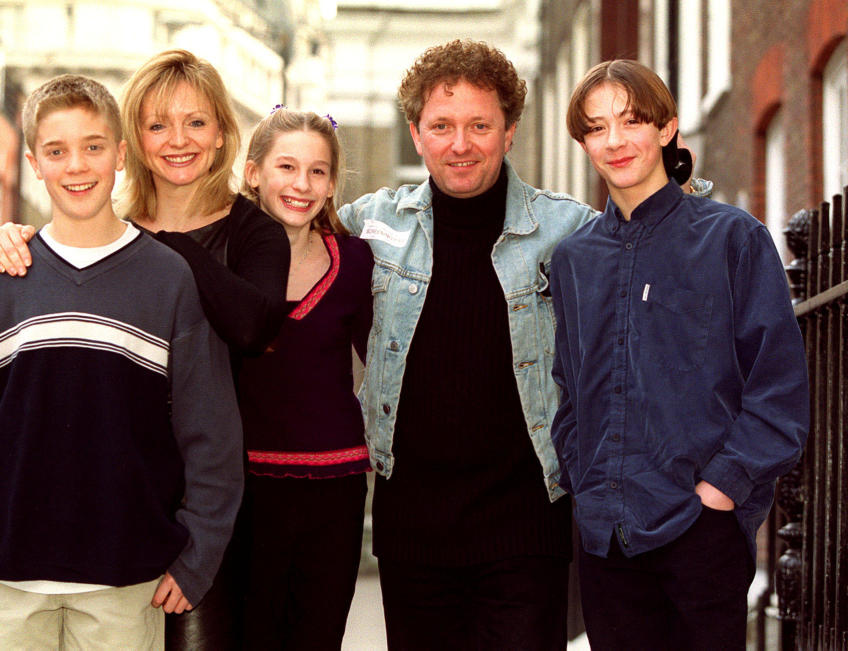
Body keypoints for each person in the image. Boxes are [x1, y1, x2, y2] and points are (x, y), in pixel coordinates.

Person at [0, 50, 291, 650]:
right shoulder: (105, 238)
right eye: (157, 124)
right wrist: (16, 237)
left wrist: (167, 246)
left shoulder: (253, 232)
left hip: (225, 493)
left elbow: (254, 327)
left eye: (196, 122)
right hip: (123, 498)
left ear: (222, 132)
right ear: (133, 143)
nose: (178, 140)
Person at [0, 74, 243, 649]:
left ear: (120, 155)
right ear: (34, 163)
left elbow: (210, 432)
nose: (77, 165)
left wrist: (198, 554)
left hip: (125, 579)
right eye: (57, 150)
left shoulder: (168, 279)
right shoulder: (2, 280)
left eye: (93, 146)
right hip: (10, 578)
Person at [336, 39, 595, 650]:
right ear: (416, 134)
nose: (460, 144)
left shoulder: (568, 228)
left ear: (509, 133)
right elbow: (281, 231)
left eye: (480, 125)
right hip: (412, 523)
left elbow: (650, 250)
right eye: (442, 126)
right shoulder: (368, 223)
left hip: (527, 520)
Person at [549, 59, 809, 650]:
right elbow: (571, 388)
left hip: (700, 531)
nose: (614, 141)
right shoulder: (572, 260)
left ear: (667, 129)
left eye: (631, 121)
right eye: (595, 128)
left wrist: (721, 490)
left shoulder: (732, 238)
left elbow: (778, 386)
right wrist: (581, 477)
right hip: (605, 538)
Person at [236, 108, 373, 650]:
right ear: (253, 174)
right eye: (286, 166)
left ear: (333, 183)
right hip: (244, 490)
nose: (302, 184)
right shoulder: (223, 259)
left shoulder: (357, 262)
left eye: (318, 171)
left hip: (334, 491)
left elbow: (391, 362)